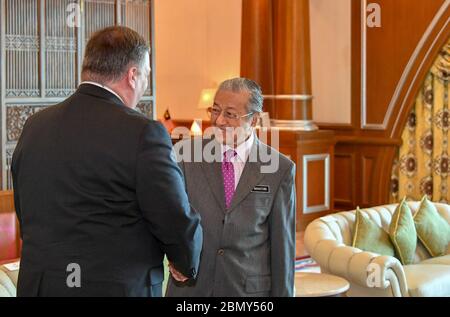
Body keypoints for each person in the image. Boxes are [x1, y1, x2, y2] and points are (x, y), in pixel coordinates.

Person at [11, 26, 202, 297]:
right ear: (133, 75)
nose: (146, 83)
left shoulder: (35, 125)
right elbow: (173, 215)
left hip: (41, 285)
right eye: (146, 74)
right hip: (113, 287)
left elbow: (25, 209)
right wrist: (185, 261)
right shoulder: (143, 132)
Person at [166, 78, 296, 297]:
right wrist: (175, 255)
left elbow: (282, 248)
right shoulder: (185, 155)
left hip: (247, 293)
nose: (219, 121)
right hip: (191, 290)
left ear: (254, 120)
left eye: (230, 114)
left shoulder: (279, 169)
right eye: (215, 110)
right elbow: (170, 214)